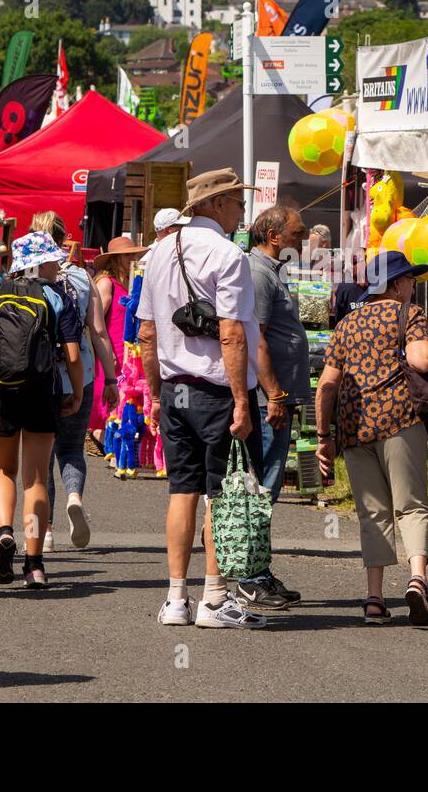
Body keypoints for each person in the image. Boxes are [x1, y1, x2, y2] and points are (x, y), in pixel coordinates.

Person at [138, 168, 268, 630]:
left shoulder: (157, 254)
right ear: (216, 205)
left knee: (181, 490)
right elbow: (232, 335)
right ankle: (214, 598)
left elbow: (147, 333)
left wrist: (155, 393)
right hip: (216, 388)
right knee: (220, 494)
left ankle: (176, 597)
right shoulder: (227, 254)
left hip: (174, 388)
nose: (241, 211)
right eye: (236, 202)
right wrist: (240, 400)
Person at [315, 250, 428, 626]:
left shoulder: (347, 324)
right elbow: (424, 360)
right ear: (398, 283)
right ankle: (417, 578)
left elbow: (326, 386)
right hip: (400, 421)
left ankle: (373, 599)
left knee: (373, 513)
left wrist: (324, 436)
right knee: (412, 505)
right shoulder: (407, 314)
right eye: (411, 280)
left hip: (355, 429)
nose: (414, 286)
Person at [0, 230, 84, 589]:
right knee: (36, 479)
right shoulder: (58, 298)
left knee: (2, 471)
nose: (59, 265)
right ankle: (34, 562)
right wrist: (77, 391)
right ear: (40, 263)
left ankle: (5, 530)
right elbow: (71, 354)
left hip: (0, 391)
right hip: (42, 390)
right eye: (54, 259)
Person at [29, 212, 121, 553]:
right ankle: (74, 496)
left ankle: (45, 531)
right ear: (64, 238)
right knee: (70, 448)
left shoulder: (26, 276)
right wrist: (110, 378)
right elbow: (98, 331)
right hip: (79, 371)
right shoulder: (82, 278)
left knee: (40, 459)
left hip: (37, 376)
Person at [237, 205, 309, 610]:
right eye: (296, 235)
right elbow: (256, 339)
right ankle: (250, 577)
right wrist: (275, 395)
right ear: (274, 236)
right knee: (261, 490)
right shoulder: (259, 273)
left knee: (268, 489)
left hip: (276, 400)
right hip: (269, 402)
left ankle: (259, 571)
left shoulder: (270, 271)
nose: (301, 242)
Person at [88, 236, 149, 452]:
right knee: (108, 401)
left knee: (122, 400)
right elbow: (94, 322)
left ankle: (111, 443)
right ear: (115, 258)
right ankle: (104, 440)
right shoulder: (107, 283)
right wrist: (103, 350)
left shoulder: (129, 283)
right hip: (109, 350)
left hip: (126, 352)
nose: (133, 258)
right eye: (128, 254)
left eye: (134, 254)